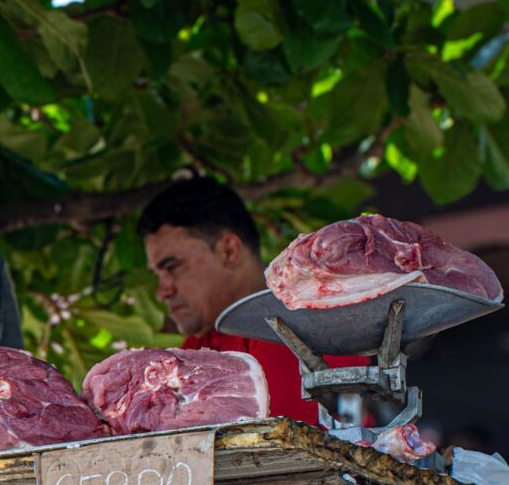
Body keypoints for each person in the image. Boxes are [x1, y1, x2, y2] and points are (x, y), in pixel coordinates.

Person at [137, 174, 369, 427]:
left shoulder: (295, 327)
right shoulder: (199, 344)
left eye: (172, 267)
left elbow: (279, 454)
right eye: (157, 274)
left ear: (229, 250)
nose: (163, 291)